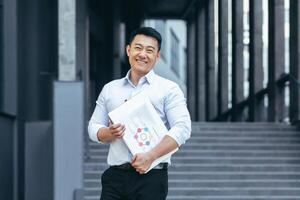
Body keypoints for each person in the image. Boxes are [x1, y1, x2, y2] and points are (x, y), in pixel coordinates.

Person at [88, 27, 191, 200]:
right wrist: (108, 132)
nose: (143, 54)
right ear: (128, 50)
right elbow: (93, 127)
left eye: (150, 50)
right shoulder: (110, 89)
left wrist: (151, 156)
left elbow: (182, 128)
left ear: (157, 56)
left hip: (151, 179)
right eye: (138, 48)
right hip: (115, 178)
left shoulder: (168, 89)